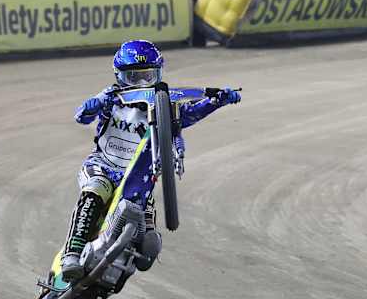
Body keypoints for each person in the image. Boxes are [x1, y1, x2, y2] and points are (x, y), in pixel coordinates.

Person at [60, 40, 241, 281]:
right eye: (134, 78)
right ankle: (71, 254)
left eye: (148, 77)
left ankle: (117, 272)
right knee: (95, 192)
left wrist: (217, 101)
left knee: (149, 242)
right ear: (120, 76)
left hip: (136, 178)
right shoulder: (111, 99)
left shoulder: (164, 108)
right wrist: (92, 105)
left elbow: (189, 114)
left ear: (158, 74)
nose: (142, 84)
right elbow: (81, 116)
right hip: (103, 165)